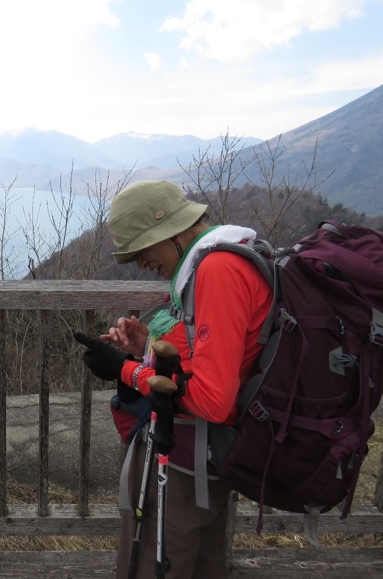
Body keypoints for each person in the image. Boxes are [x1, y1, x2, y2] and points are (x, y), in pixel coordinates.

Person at [74, 180, 273, 579]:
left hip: (186, 461)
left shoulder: (218, 269)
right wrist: (146, 347)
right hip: (201, 458)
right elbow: (213, 356)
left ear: (169, 230)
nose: (141, 264)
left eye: (142, 250)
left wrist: (124, 370)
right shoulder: (222, 258)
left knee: (156, 563)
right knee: (204, 561)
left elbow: (212, 398)